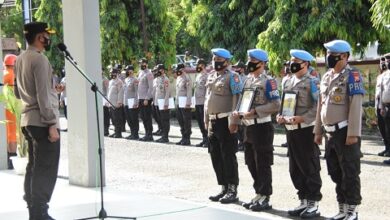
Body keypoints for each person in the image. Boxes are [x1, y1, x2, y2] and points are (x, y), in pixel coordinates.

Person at [14, 21, 60, 220]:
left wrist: (50, 92)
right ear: (40, 37)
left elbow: (18, 91)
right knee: (46, 167)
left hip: (28, 119)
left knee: (33, 166)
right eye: (46, 35)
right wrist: (51, 124)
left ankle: (34, 210)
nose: (48, 39)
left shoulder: (20, 58)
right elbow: (42, 95)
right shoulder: (40, 59)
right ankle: (40, 212)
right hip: (42, 121)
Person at [314, 39, 364, 220]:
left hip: (345, 133)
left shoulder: (353, 75)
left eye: (332, 55)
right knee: (334, 171)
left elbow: (356, 106)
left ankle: (352, 210)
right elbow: (321, 105)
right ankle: (342, 208)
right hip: (329, 132)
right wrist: (318, 131)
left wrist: (353, 134)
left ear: (344, 56)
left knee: (350, 171)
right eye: (328, 54)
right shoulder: (326, 76)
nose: (328, 58)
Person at [233, 49, 280, 211]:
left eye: (252, 60)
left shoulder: (269, 81)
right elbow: (242, 101)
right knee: (250, 162)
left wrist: (255, 112)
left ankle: (265, 196)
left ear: (262, 63)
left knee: (263, 163)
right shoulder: (247, 80)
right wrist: (237, 113)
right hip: (248, 127)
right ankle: (258, 192)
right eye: (249, 59)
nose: (249, 63)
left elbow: (276, 105)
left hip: (262, 126)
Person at [277, 49, 322, 218]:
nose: (292, 64)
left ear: (306, 64)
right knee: (294, 168)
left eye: (296, 61)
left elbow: (319, 106)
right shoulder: (287, 81)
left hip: (306, 130)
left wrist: (303, 118)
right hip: (290, 130)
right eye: (291, 61)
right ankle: (302, 200)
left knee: (309, 166)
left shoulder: (312, 82)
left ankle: (313, 203)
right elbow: (284, 102)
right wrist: (280, 115)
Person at [205, 48, 241, 204]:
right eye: (214, 58)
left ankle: (232, 189)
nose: (215, 61)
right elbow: (207, 100)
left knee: (228, 155)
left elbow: (237, 98)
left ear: (226, 61)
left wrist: (234, 121)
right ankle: (223, 187)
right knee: (215, 155)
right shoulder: (212, 76)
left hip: (225, 120)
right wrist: (206, 120)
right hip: (213, 121)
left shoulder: (233, 77)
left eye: (218, 58)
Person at [2, 54, 18, 169]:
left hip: (4, 107)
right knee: (13, 134)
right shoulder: (13, 76)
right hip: (12, 109)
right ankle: (12, 158)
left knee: (7, 134)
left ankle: (8, 157)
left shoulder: (3, 74)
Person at [175, 63, 193, 146]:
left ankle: (187, 139)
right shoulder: (179, 78)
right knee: (180, 120)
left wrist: (188, 102)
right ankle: (183, 137)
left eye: (179, 69)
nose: (178, 71)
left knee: (186, 121)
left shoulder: (187, 78)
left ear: (183, 69)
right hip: (179, 102)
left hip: (185, 102)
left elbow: (189, 91)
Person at [137, 58, 154, 141]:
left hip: (146, 99)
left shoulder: (149, 73)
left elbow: (151, 87)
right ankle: (146, 133)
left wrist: (147, 98)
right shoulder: (140, 73)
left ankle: (150, 134)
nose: (140, 65)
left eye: (142, 63)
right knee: (143, 117)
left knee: (147, 117)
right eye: (140, 63)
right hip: (140, 98)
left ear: (146, 64)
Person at [154, 64, 171, 143]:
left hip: (163, 103)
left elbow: (167, 92)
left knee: (165, 120)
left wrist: (166, 103)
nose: (158, 71)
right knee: (160, 120)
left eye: (159, 70)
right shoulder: (158, 78)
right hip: (158, 102)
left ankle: (165, 136)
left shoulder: (165, 79)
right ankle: (163, 135)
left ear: (163, 70)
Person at [232, 60, 247, 151]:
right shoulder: (234, 77)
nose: (236, 69)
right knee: (236, 124)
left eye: (238, 67)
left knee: (242, 125)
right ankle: (240, 141)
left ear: (242, 69)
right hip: (235, 103)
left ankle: (243, 142)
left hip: (242, 103)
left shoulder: (245, 78)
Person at [194, 58, 209, 147]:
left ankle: (208, 140)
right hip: (197, 102)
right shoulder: (198, 75)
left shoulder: (206, 76)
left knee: (204, 122)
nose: (197, 66)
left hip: (203, 102)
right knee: (200, 122)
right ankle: (204, 138)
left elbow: (207, 91)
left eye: (198, 64)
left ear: (202, 65)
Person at [123, 65, 139, 140]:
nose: (127, 71)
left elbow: (137, 91)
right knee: (128, 118)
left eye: (128, 70)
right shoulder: (126, 79)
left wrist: (136, 101)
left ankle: (135, 134)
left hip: (132, 100)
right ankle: (132, 133)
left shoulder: (135, 79)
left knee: (134, 118)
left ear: (132, 71)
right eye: (127, 70)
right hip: (126, 101)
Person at [107, 68, 124, 138]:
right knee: (113, 119)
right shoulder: (110, 81)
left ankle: (118, 133)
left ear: (116, 73)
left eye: (113, 73)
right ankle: (115, 131)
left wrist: (119, 102)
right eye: (111, 73)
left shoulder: (119, 81)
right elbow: (108, 92)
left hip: (116, 103)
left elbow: (120, 92)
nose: (111, 74)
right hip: (111, 103)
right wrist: (107, 102)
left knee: (117, 119)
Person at [379, 53, 390, 165]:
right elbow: (382, 91)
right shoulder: (385, 75)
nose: (387, 62)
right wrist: (382, 106)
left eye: (388, 60)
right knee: (387, 131)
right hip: (387, 107)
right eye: (386, 60)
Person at [280, 61, 293, 148]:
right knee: (286, 125)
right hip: (285, 103)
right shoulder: (285, 79)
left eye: (289, 66)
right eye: (286, 66)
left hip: (292, 103)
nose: (287, 68)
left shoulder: (294, 78)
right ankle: (288, 141)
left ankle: (291, 143)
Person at [151, 65, 163, 136]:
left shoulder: (164, 79)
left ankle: (163, 130)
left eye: (156, 70)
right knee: (156, 116)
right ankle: (159, 128)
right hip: (155, 100)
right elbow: (154, 91)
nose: (155, 72)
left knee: (161, 116)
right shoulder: (155, 80)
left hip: (161, 101)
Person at [102, 69, 110, 136]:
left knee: (105, 115)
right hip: (99, 98)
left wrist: (107, 100)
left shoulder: (105, 79)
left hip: (104, 98)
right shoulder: (96, 77)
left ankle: (106, 130)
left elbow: (108, 90)